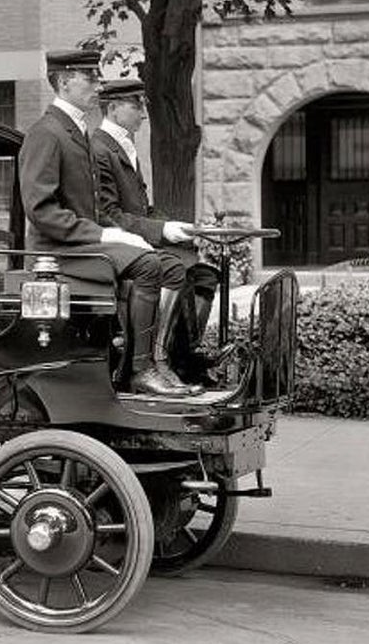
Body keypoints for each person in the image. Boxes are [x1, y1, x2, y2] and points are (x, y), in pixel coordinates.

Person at [19, 49, 199, 397]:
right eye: (90, 78)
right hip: (54, 252)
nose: (98, 86)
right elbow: (41, 210)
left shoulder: (75, 130)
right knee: (148, 265)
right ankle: (140, 370)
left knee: (173, 269)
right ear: (64, 81)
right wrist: (105, 233)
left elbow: (91, 206)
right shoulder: (46, 132)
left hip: (80, 244)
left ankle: (158, 362)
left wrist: (119, 232)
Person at [92, 77, 221, 387]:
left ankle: (187, 356)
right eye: (135, 105)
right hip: (117, 247)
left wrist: (184, 228)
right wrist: (162, 229)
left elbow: (143, 209)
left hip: (137, 238)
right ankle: (155, 361)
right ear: (112, 108)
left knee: (205, 274)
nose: (143, 112)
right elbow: (108, 215)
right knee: (177, 268)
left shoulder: (122, 146)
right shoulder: (99, 149)